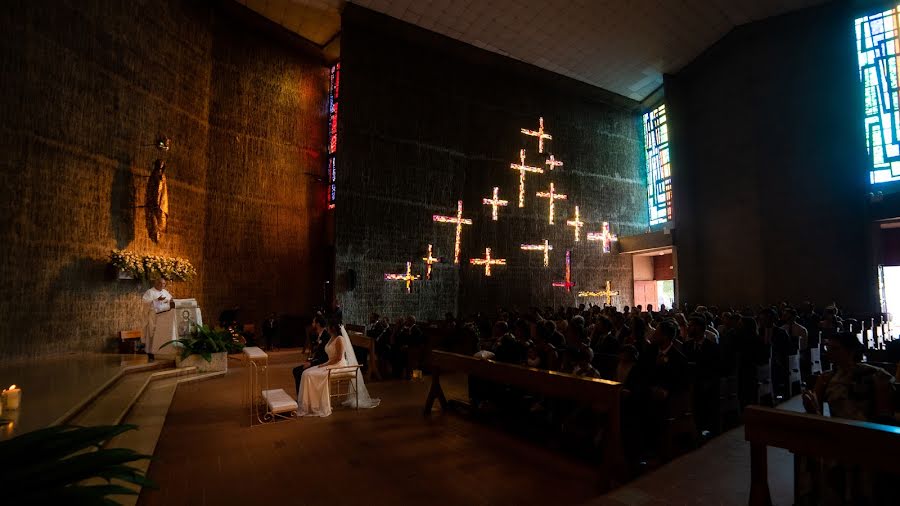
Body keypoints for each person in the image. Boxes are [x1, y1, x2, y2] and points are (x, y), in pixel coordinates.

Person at [296, 320, 380, 417]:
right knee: (306, 373)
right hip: (330, 364)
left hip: (338, 365)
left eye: (328, 327)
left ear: (332, 328)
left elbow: (338, 358)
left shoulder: (339, 339)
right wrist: (325, 364)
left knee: (312, 375)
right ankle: (310, 403)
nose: (327, 328)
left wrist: (325, 365)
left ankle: (318, 404)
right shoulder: (332, 337)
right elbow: (331, 357)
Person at [293, 315, 329, 395]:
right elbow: (317, 353)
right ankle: (301, 396)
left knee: (298, 372)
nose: (312, 324)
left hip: (322, 364)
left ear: (318, 324)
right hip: (317, 361)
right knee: (296, 370)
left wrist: (311, 363)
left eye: (313, 322)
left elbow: (324, 357)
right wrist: (310, 360)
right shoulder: (319, 335)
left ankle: (302, 397)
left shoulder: (326, 336)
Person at [141, 277, 173, 361]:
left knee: (162, 334)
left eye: (163, 284)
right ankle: (150, 352)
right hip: (154, 317)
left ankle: (162, 351)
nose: (162, 285)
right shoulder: (150, 292)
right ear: (156, 283)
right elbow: (145, 302)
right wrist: (156, 300)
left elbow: (170, 300)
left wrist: (169, 302)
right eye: (160, 283)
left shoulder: (165, 292)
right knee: (153, 333)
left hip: (164, 316)